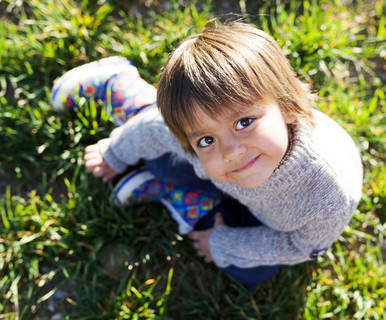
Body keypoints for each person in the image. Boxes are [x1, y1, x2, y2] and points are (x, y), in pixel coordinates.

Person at [49, 21, 363, 287]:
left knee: (247, 272)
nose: (231, 151)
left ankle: (186, 200)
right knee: (162, 156)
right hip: (237, 187)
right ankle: (124, 90)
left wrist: (222, 242)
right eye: (207, 140)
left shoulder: (329, 196)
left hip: (274, 216)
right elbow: (154, 130)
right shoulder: (219, 146)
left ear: (286, 107)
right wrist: (114, 153)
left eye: (244, 122)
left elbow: (302, 245)